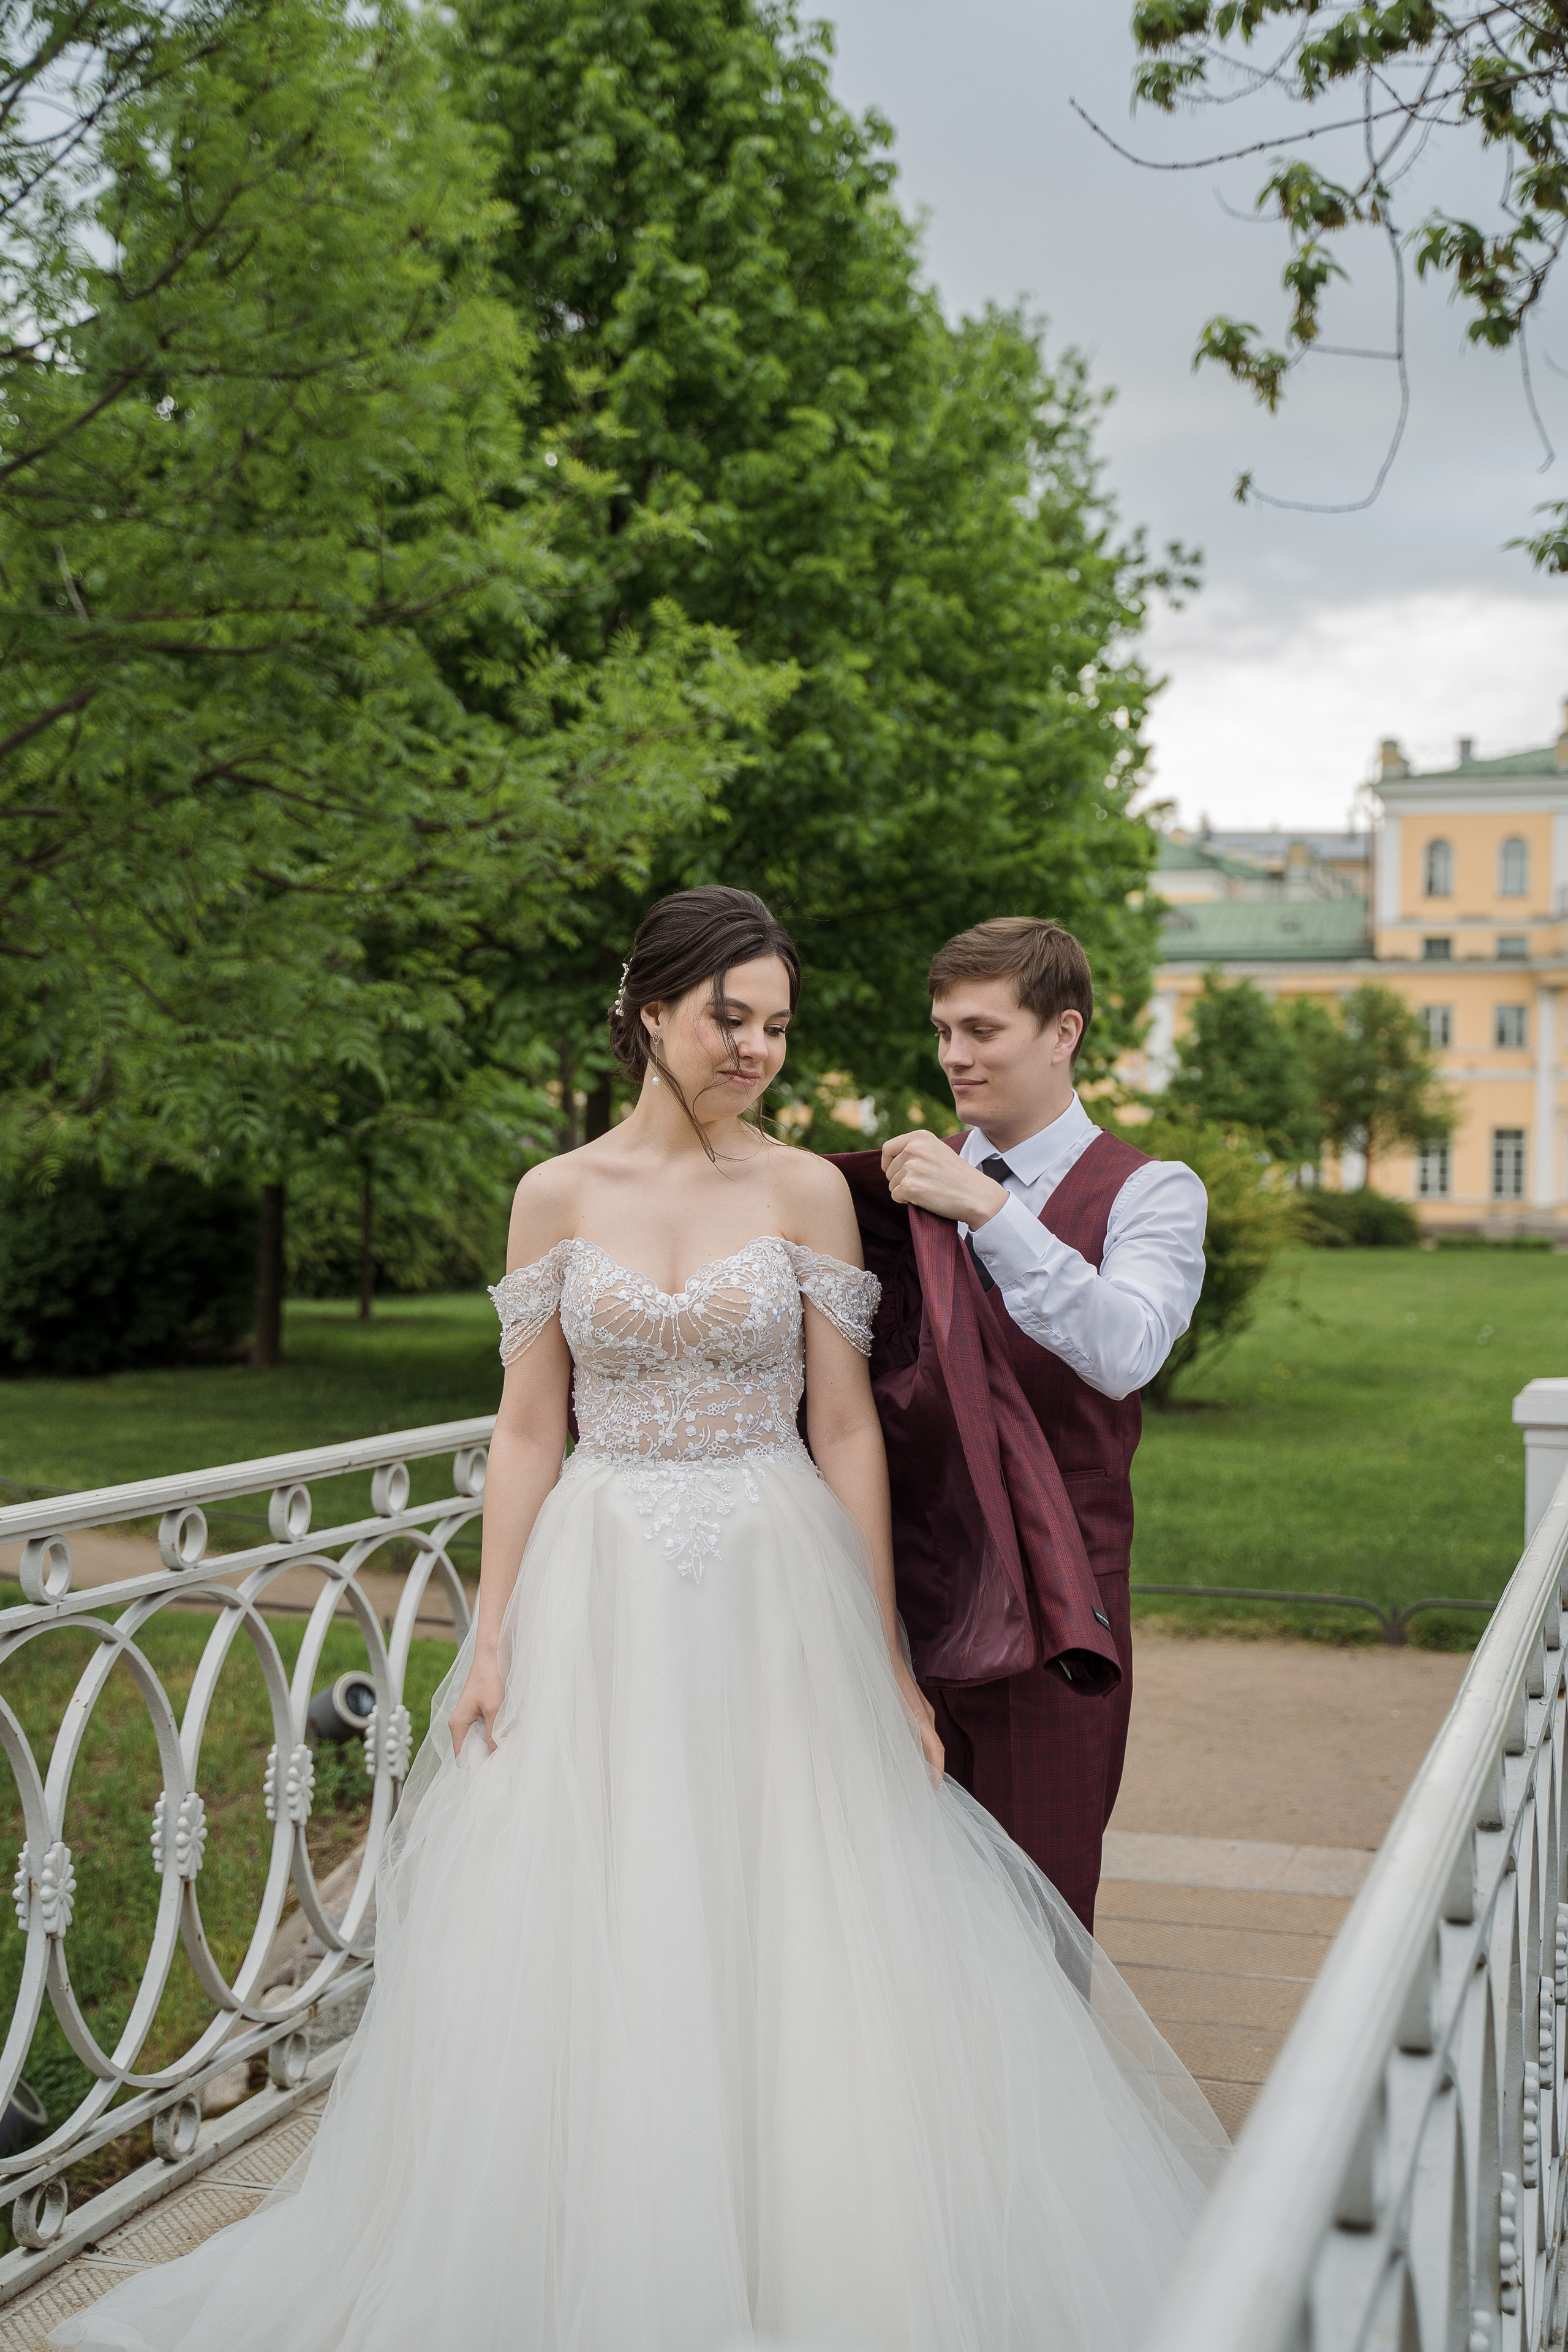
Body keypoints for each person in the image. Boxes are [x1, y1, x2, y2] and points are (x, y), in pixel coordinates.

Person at [53, 888, 1224, 2352]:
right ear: (651, 1010)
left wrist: (883, 1665)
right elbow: (527, 1433)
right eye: (731, 1017)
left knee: (798, 1895)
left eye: (778, 1026)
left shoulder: (807, 1189)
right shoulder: (554, 1196)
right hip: (600, 1579)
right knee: (606, 1891)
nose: (756, 1049)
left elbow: (848, 1430)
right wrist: (492, 1634)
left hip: (776, 1572)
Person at [833, 918, 1206, 1935]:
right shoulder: (902, 1190)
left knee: (1040, 1917)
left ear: (1063, 1033)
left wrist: (994, 1217)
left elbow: (1127, 1351)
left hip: (1059, 1610)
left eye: (983, 1030)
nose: (955, 1056)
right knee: (901, 1914)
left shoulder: (1150, 1192)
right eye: (945, 1029)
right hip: (904, 1602)